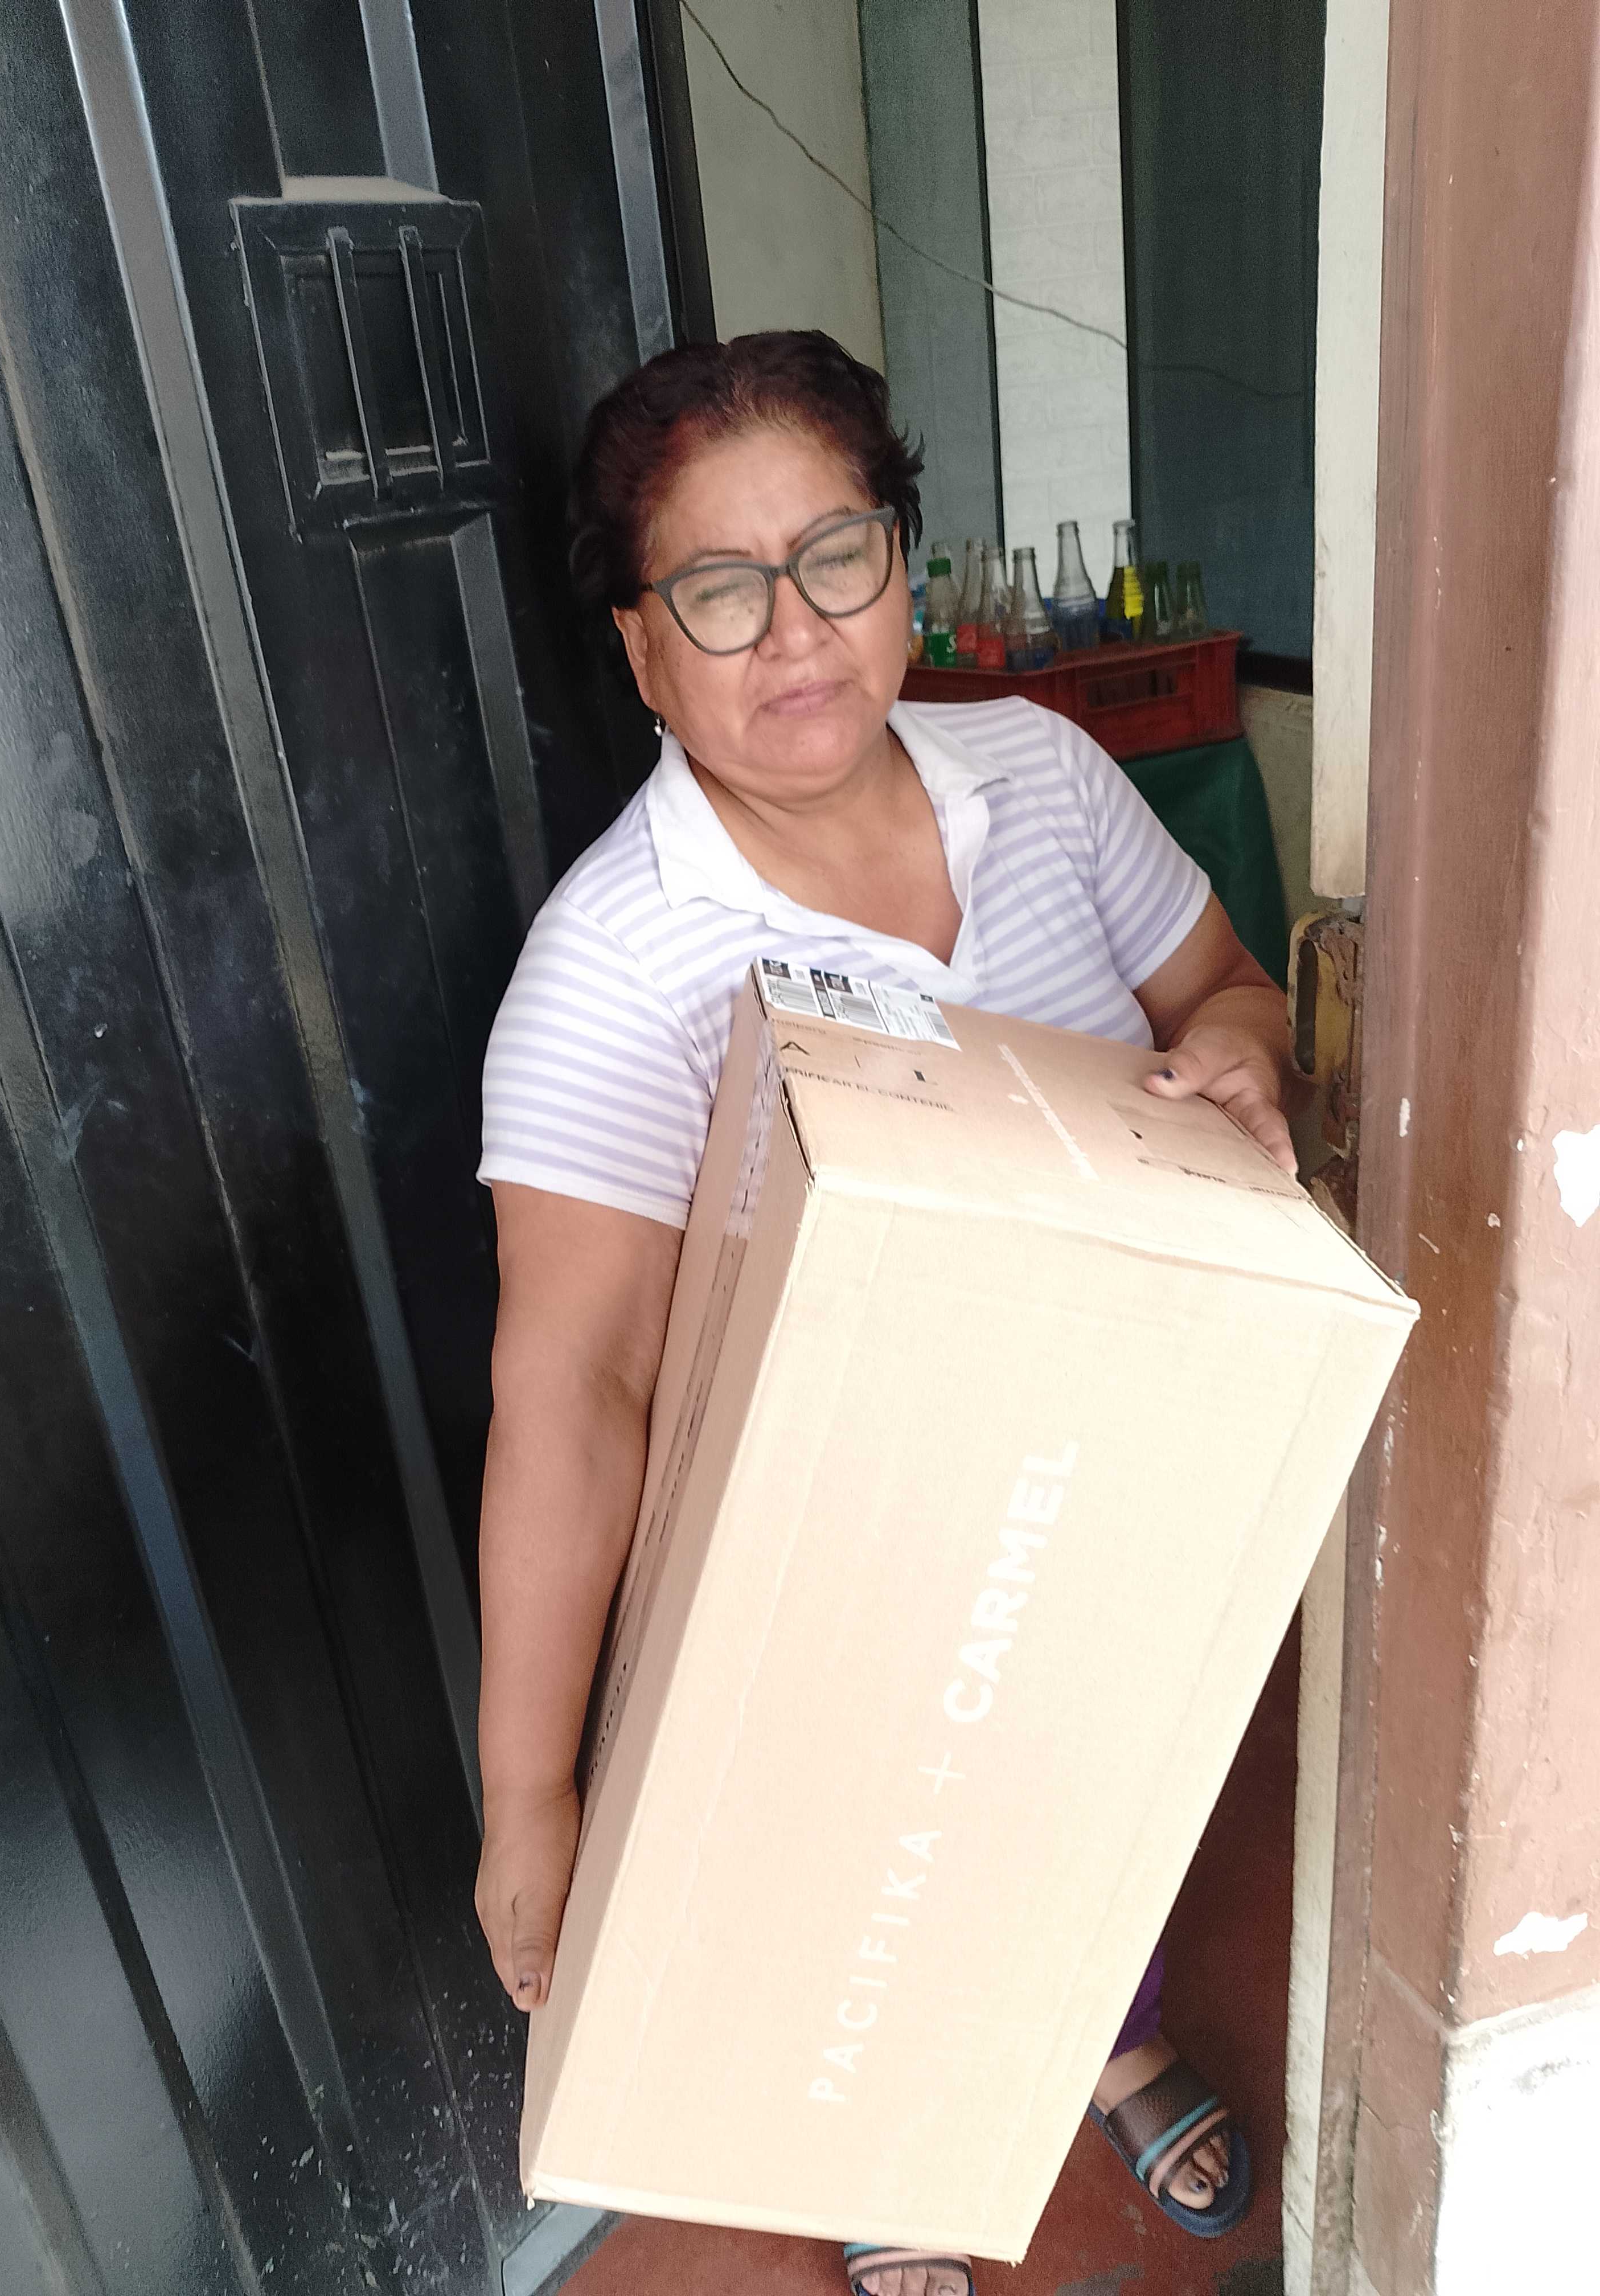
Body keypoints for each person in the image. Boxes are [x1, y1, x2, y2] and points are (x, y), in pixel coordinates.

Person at [473, 330, 1298, 2296]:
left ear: (902, 565)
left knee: (1102, 1782)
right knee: (889, 1850)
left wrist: (1247, 1058)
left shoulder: (1043, 775)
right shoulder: (619, 964)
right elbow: (574, 1391)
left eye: (834, 554)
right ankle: (899, 2141)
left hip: (1116, 1461)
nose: (795, 632)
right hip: (838, 1559)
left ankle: (1103, 2039)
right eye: (719, 588)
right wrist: (531, 1796)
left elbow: (1229, 989)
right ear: (641, 648)